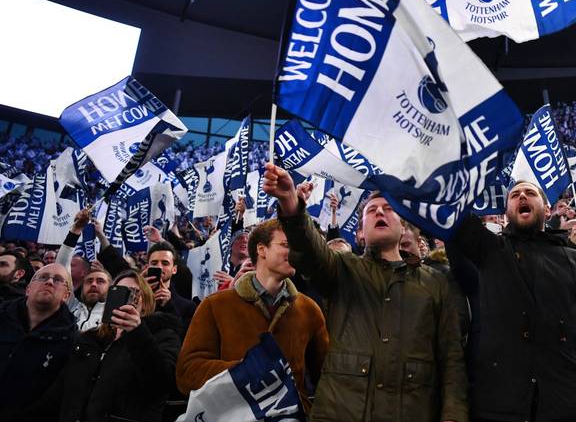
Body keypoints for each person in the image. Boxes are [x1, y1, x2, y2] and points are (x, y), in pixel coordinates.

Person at [263, 164, 467, 422]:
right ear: (360, 233)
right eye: (372, 210)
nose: (380, 212)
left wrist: (453, 416)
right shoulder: (342, 269)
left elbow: (452, 358)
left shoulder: (437, 283)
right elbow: (310, 252)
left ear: (403, 228)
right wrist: (291, 204)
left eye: (389, 209)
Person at [449, 181, 576, 422]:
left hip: (567, 402)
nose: (522, 197)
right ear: (506, 211)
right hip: (501, 405)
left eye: (530, 193)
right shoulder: (489, 250)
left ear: (546, 209)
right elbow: (453, 218)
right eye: (515, 195)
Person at [177, 218, 330, 414]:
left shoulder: (309, 309)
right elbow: (187, 373)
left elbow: (327, 377)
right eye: (286, 244)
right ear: (261, 250)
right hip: (230, 416)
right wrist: (246, 371)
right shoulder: (215, 305)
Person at [1, 269, 182, 422]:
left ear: (145, 302)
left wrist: (137, 332)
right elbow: (56, 396)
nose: (126, 297)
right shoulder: (89, 341)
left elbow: (161, 384)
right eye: (119, 291)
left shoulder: (163, 335)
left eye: (134, 292)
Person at [0, 263, 76, 410]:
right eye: (43, 277)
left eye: (58, 280)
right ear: (28, 289)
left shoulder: (71, 341)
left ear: (66, 296)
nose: (49, 282)